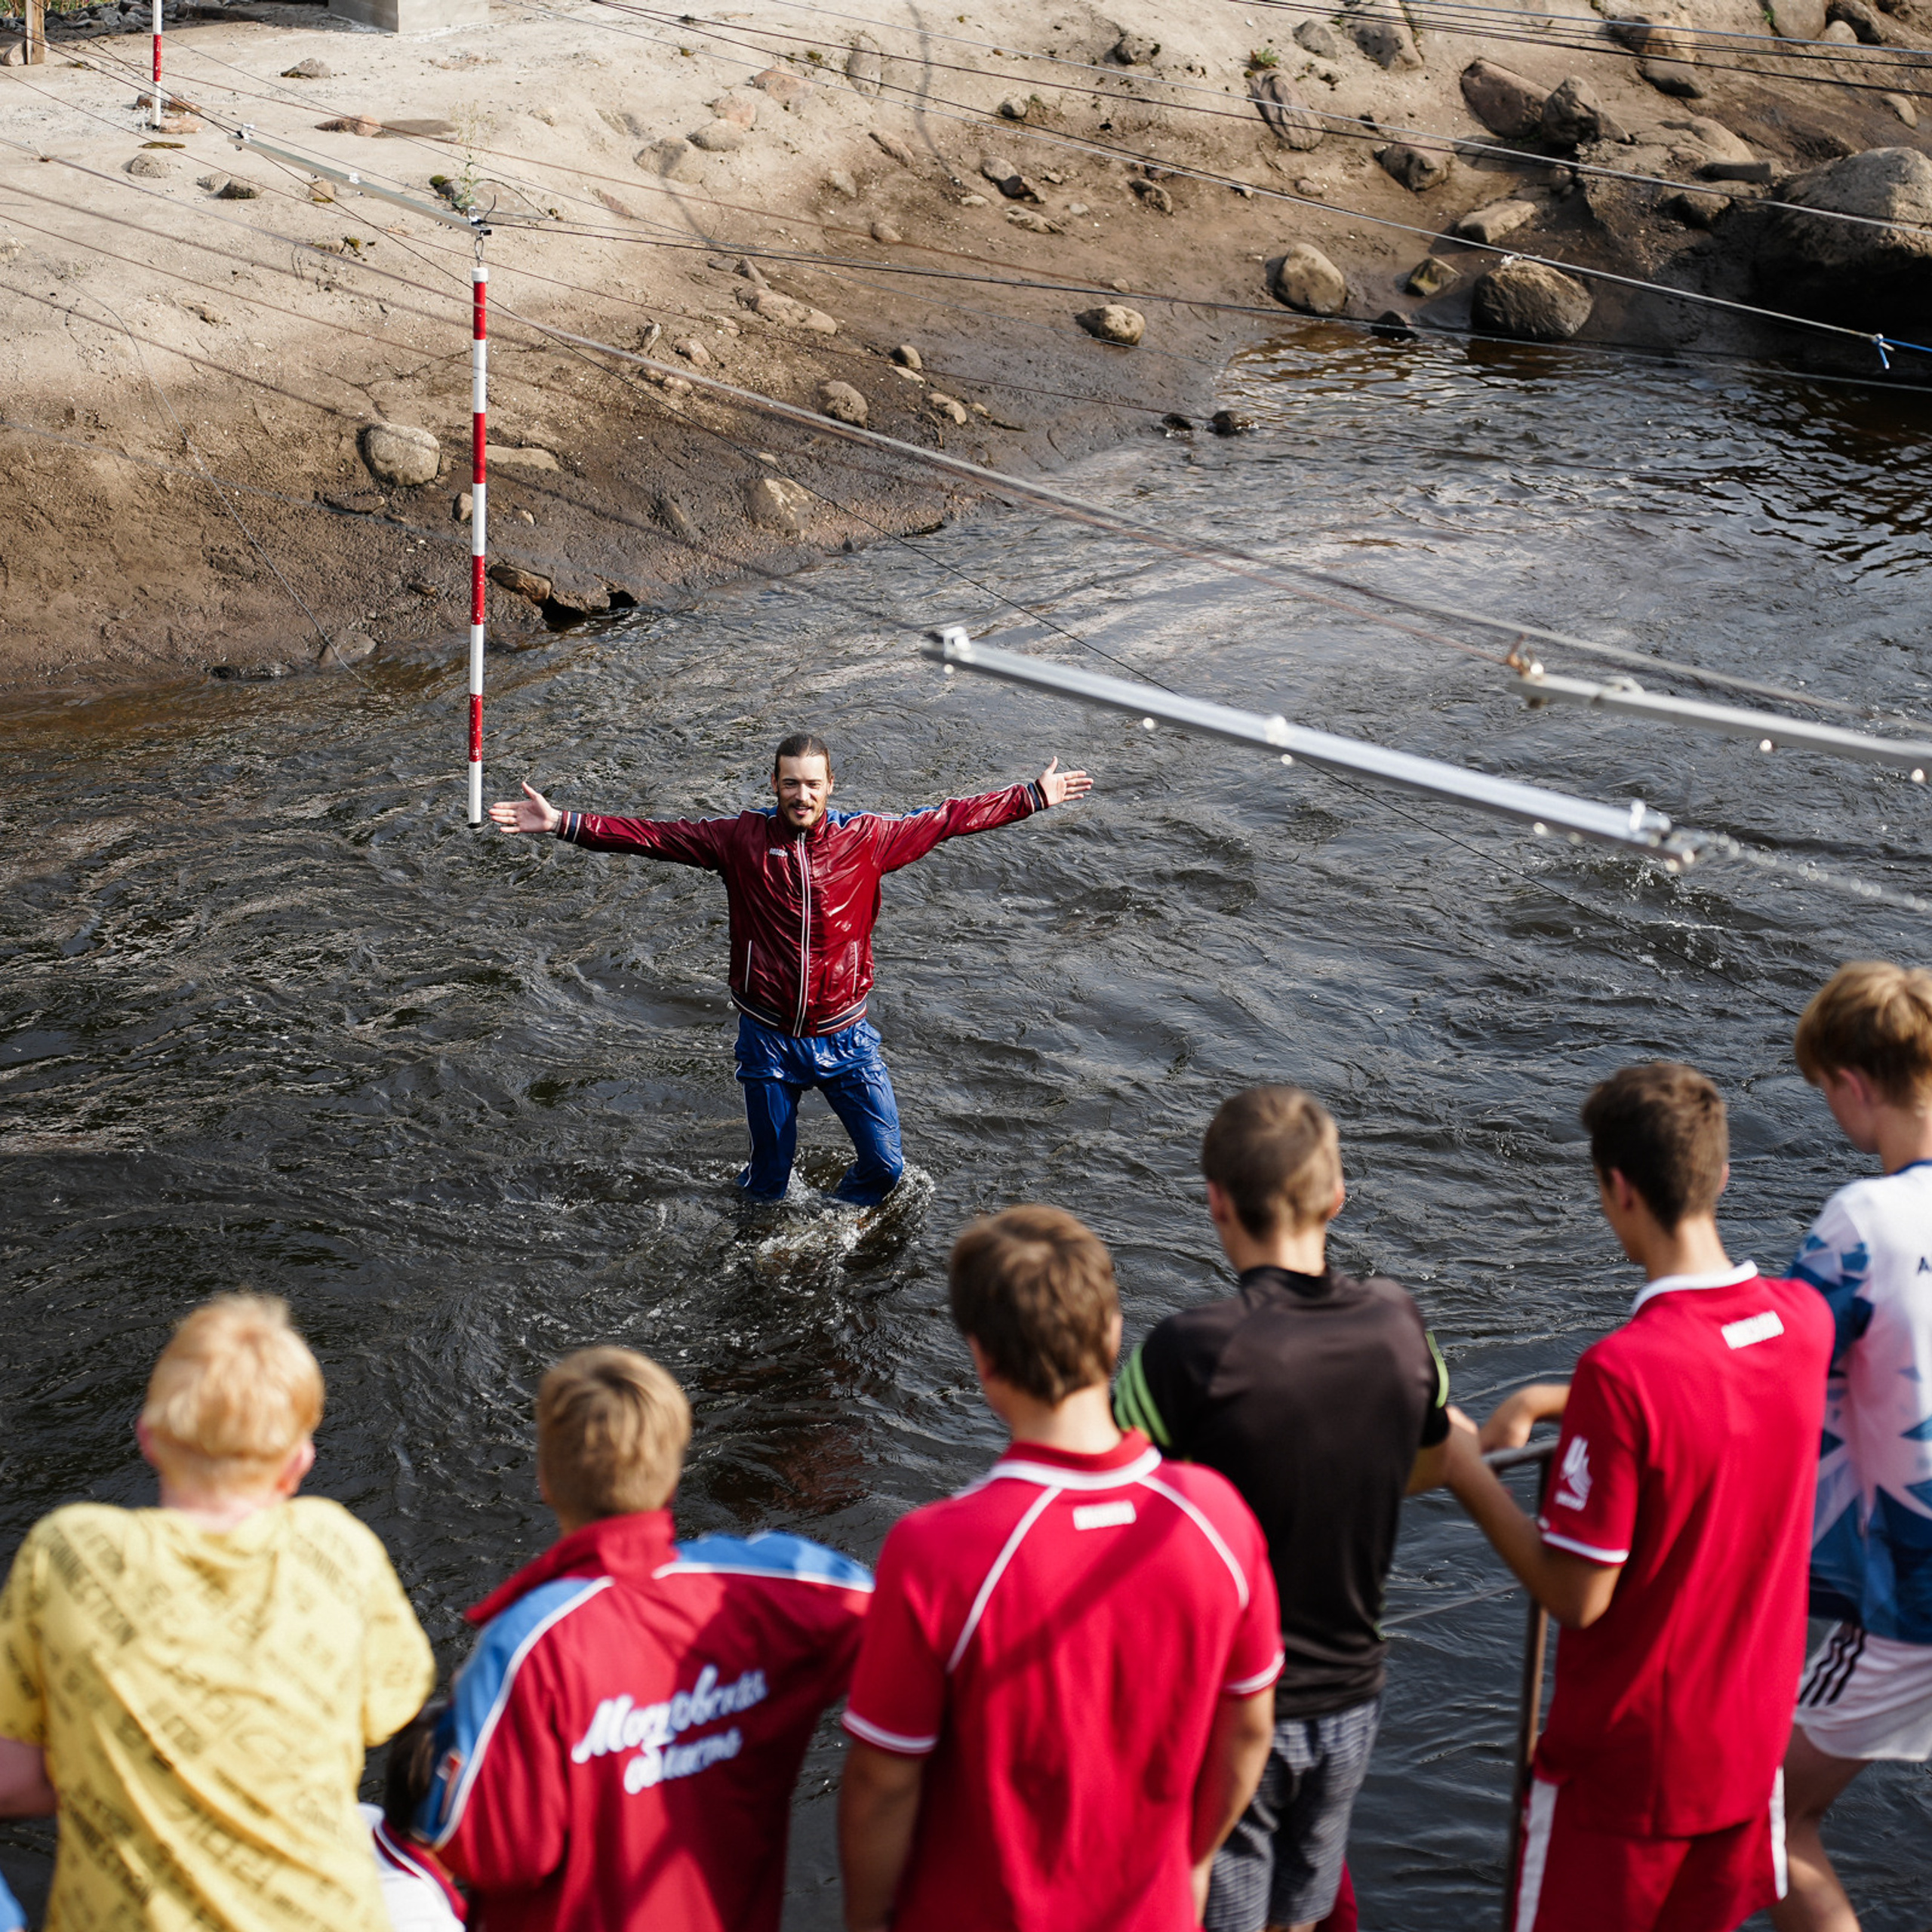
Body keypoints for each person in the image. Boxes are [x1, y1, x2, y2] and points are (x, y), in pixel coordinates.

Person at [1442, 1063, 1834, 1932]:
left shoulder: (1622, 1374)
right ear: (1719, 1174)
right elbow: (1715, 1383)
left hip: (1627, 1780)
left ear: (1616, 1188)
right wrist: (1558, 1398)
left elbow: (1577, 1593)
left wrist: (1465, 1469)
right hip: (1747, 1753)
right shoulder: (1802, 1323)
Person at [838, 1205, 1284, 1932]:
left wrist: (865, 1922)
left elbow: (883, 1782)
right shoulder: (1217, 1517)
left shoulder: (935, 1551)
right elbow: (1250, 1732)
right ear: (1113, 1334)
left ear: (982, 1358)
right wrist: (1193, 1865)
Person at [1112, 1086, 1451, 1932]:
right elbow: (1430, 1452)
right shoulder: (1399, 1323)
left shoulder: (1188, 1352)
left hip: (1232, 1708)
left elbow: (1105, 1490)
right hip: (1352, 1701)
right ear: (1336, 1198)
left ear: (1216, 1202)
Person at [489, 735, 1093, 1206]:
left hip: (846, 1039)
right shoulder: (739, 841)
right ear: (774, 785)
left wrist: (1032, 797)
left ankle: (833, 1223)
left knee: (886, 1168)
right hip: (769, 1041)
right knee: (767, 1185)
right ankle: (762, 1249)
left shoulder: (869, 839)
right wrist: (564, 822)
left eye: (812, 785)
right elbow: (655, 837)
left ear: (831, 786)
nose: (801, 796)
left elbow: (949, 817)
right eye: (790, 785)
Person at [0, 1294, 435, 1930]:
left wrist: (129, 1771)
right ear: (299, 1463)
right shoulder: (339, 1547)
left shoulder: (69, 1552)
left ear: (148, 1438)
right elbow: (389, 1710)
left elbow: (12, 1781)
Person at [417, 1346, 873, 1932]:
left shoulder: (524, 1645)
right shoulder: (778, 1587)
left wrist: (438, 1745)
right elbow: (910, 1630)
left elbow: (490, 1850)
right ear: (673, 1473)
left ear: (546, 1480)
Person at [1771, 963, 1932, 1932]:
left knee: (1765, 1816)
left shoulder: (1865, 1221)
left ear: (1851, 1083)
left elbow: (1771, 1367)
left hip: (1915, 1596)